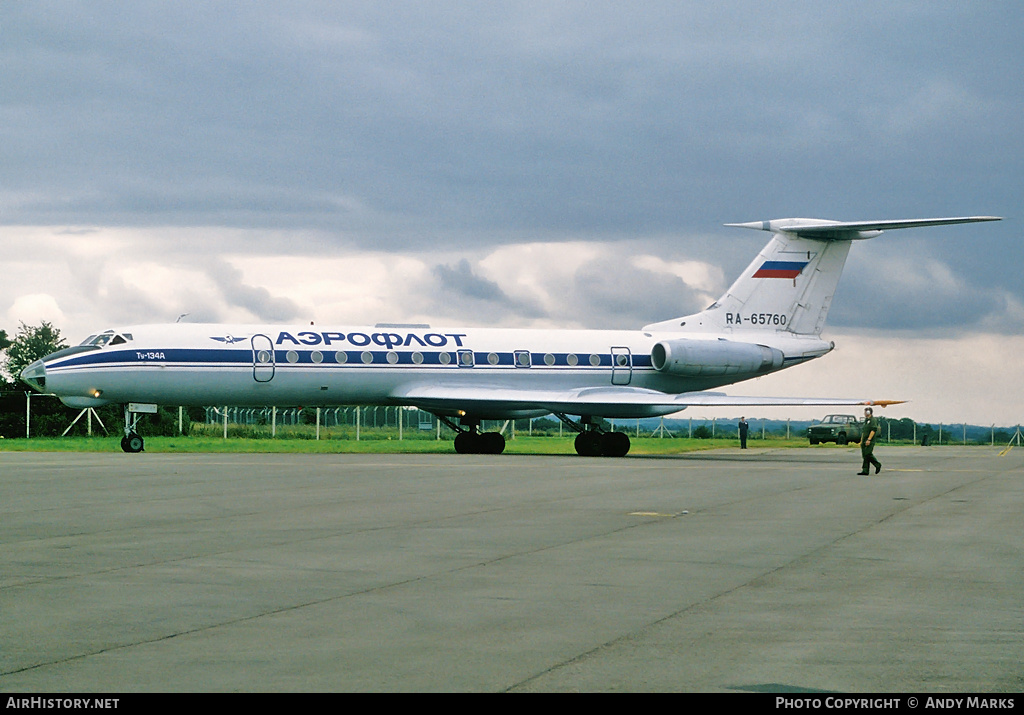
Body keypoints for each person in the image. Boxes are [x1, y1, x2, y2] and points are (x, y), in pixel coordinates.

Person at [858, 407, 881, 475]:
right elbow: (863, 431)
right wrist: (861, 441)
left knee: (868, 453)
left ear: (868, 412)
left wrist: (869, 439)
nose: (864, 413)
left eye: (865, 412)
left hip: (869, 440)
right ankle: (865, 470)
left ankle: (877, 464)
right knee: (865, 455)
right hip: (864, 440)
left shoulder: (873, 420)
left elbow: (873, 430)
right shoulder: (866, 420)